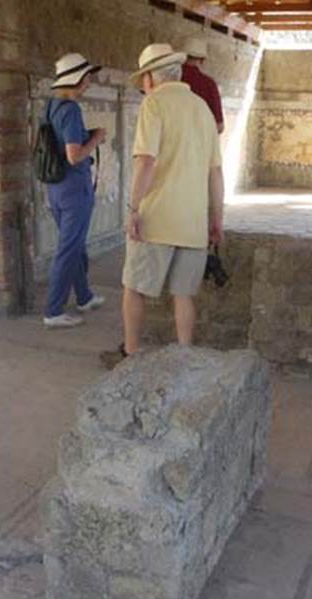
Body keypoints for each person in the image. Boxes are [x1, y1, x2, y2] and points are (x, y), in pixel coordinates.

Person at [112, 43, 223, 363]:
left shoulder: (155, 104)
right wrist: (217, 218)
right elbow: (215, 172)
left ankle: (130, 352)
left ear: (149, 77)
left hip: (156, 218)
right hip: (192, 221)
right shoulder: (202, 109)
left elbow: (146, 162)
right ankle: (183, 357)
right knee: (183, 294)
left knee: (134, 287)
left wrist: (133, 210)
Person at [42, 53, 106, 328]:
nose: (90, 81)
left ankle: (84, 296)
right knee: (69, 249)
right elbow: (74, 155)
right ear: (77, 78)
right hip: (74, 189)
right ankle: (53, 311)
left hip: (56, 188)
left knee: (75, 245)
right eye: (87, 76)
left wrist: (85, 134)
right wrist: (97, 139)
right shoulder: (70, 109)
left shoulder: (52, 106)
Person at [181, 37, 224, 134]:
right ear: (203, 60)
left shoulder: (172, 79)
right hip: (198, 145)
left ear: (184, 56)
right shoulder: (209, 84)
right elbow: (219, 126)